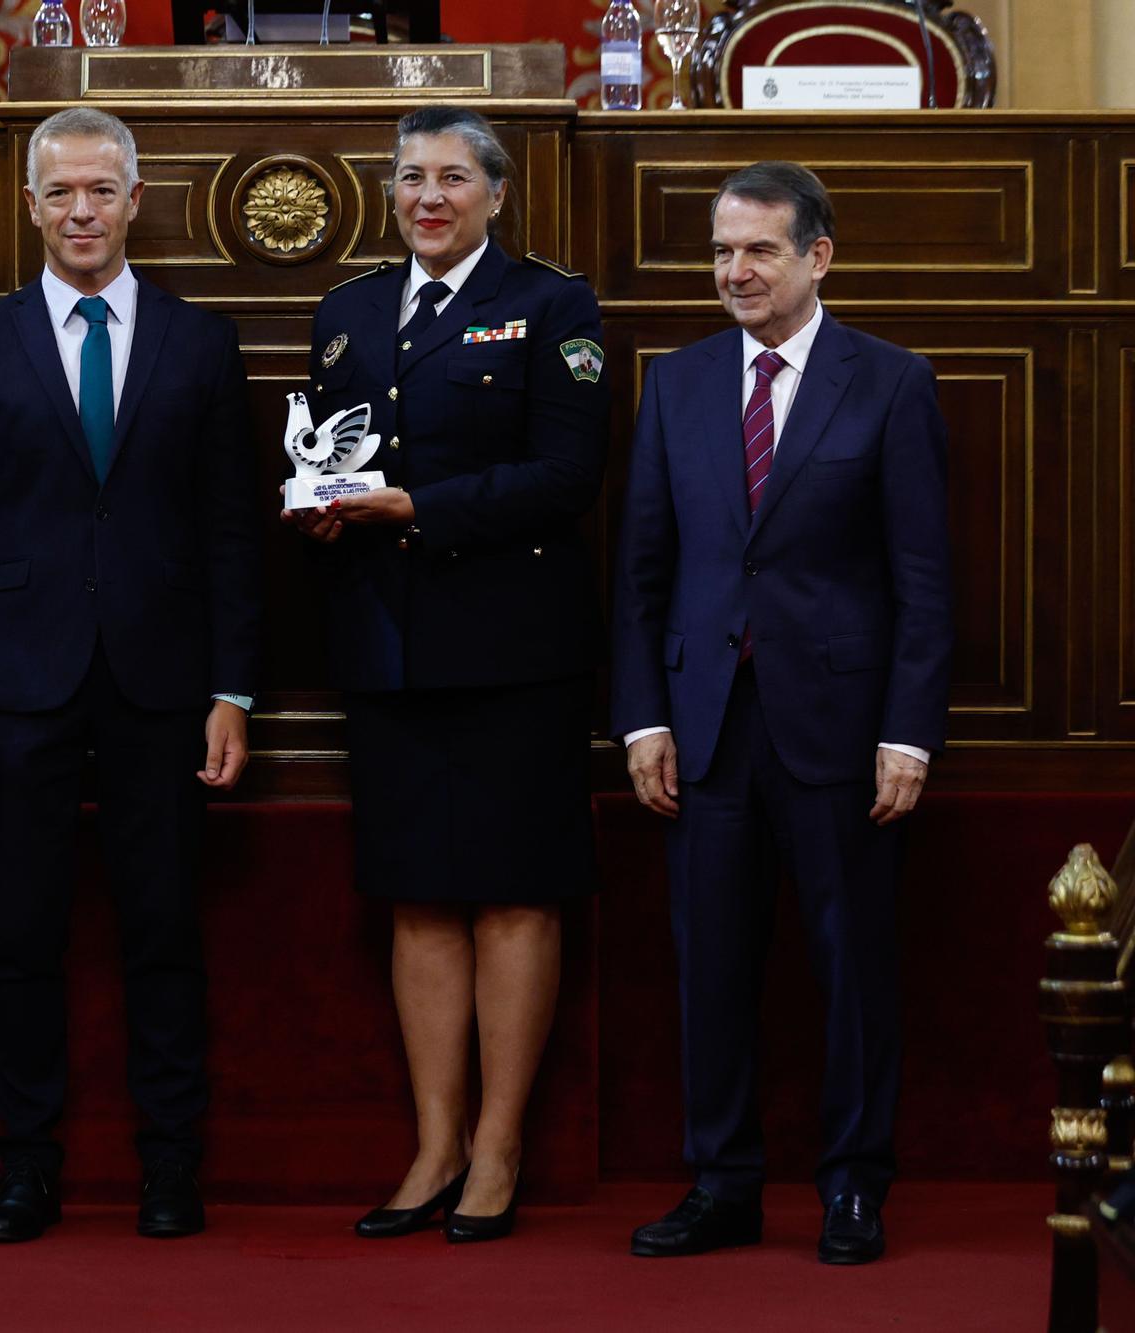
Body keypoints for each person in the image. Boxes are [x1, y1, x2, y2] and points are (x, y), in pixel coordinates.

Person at [0, 106, 261, 1243]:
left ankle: (171, 1168)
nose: (79, 211)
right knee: (22, 937)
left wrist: (233, 688)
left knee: (163, 932)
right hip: (16, 689)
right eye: (59, 192)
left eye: (99, 191)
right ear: (29, 205)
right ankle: (27, 1168)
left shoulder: (199, 343)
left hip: (163, 687)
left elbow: (229, 535)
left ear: (133, 199)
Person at [612, 161, 951, 1265]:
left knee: (850, 964)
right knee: (710, 966)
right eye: (720, 250)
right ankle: (722, 1184)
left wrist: (907, 730)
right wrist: (641, 717)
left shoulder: (890, 381)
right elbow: (642, 569)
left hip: (841, 730)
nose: (733, 271)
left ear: (817, 256)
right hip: (704, 726)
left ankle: (852, 1184)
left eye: (758, 250)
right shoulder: (676, 382)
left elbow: (921, 576)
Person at [282, 104, 607, 1244]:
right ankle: (431, 1142)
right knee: (416, 894)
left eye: (454, 176)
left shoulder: (551, 306)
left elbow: (568, 472)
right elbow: (330, 455)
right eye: (410, 175)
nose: (429, 195)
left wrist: (419, 506)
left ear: (497, 194)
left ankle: (499, 1145)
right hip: (387, 643)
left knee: (513, 892)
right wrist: (323, 513)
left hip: (515, 646)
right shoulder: (345, 311)